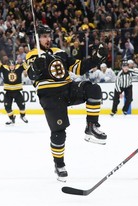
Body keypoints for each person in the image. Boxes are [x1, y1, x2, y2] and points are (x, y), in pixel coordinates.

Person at [25, 24, 107, 182]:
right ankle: (59, 164)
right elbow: (31, 74)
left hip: (68, 88)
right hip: (49, 95)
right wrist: (36, 67)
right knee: (59, 132)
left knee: (93, 89)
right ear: (36, 38)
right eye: (43, 36)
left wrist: (96, 58)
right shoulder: (32, 55)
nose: (47, 39)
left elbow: (77, 68)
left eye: (49, 35)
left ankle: (91, 127)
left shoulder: (59, 52)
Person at [0, 51, 28, 125]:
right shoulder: (4, 69)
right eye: (10, 65)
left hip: (17, 92)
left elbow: (26, 64)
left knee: (22, 105)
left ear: (15, 65)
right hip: (8, 92)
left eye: (13, 65)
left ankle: (22, 116)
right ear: (8, 65)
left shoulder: (19, 69)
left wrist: (30, 57)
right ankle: (12, 118)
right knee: (7, 106)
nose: (12, 66)